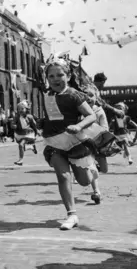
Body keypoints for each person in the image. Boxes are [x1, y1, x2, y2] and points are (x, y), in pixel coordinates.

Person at [41, 58, 116, 230]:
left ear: (67, 75)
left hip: (75, 142)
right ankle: (71, 214)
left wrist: (79, 125)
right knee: (63, 176)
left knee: (84, 181)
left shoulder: (74, 95)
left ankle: (92, 170)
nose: (55, 79)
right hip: (55, 143)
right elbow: (52, 116)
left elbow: (91, 115)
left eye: (60, 75)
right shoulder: (47, 95)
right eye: (51, 76)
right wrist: (42, 123)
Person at [13, 100, 38, 166]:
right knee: (22, 146)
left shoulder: (30, 117)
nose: (20, 110)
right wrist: (13, 126)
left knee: (21, 145)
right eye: (19, 109)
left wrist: (37, 132)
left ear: (26, 109)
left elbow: (34, 126)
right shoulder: (16, 117)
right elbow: (13, 124)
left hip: (28, 133)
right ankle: (32, 147)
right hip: (20, 133)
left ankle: (20, 160)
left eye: (22, 109)